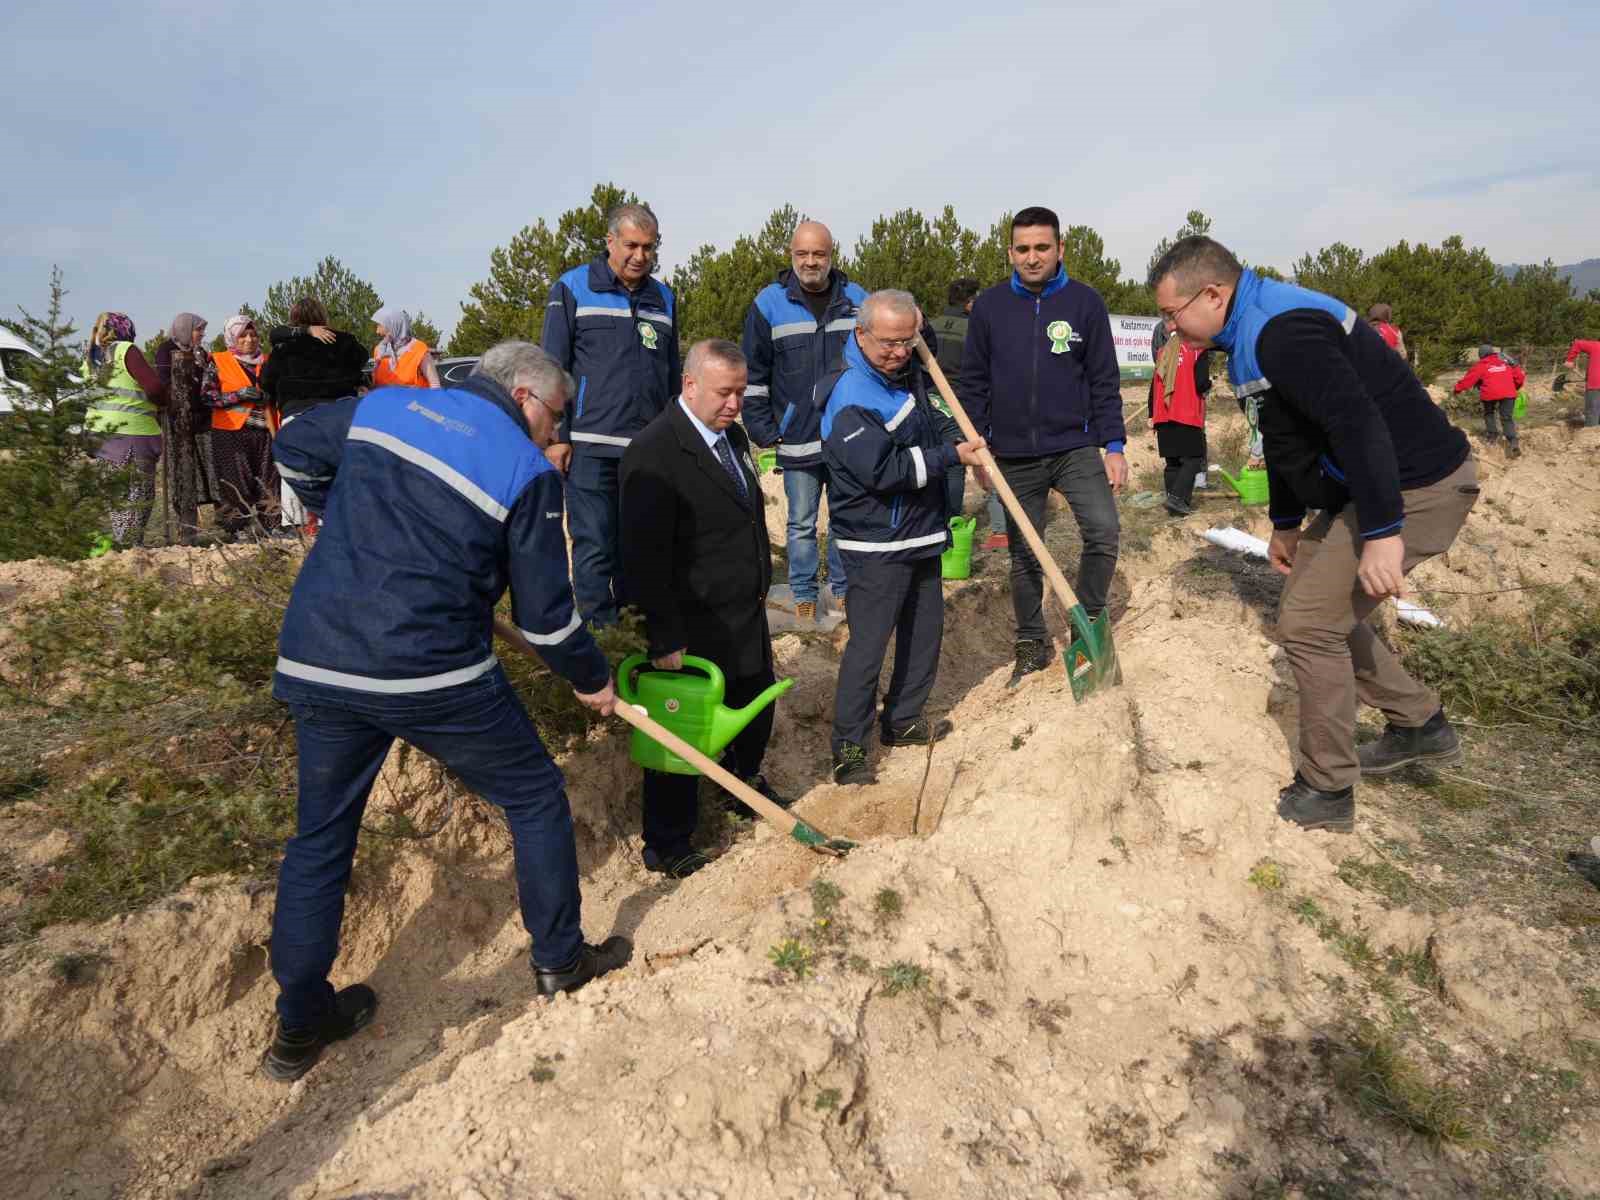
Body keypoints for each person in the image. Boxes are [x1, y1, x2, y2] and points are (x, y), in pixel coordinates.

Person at [262, 340, 629, 1082]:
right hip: (432, 671)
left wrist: (341, 525)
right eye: (557, 417)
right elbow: (549, 620)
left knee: (319, 841)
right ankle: (560, 961)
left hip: (319, 655)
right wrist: (591, 680)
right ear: (526, 395)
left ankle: (299, 1026)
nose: (554, 435)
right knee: (532, 794)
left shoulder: (384, 406)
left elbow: (292, 449)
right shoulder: (524, 470)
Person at [1150, 236, 1477, 834]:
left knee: (1307, 624)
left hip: (1415, 488)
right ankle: (1419, 724)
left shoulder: (1282, 331)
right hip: (1370, 489)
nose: (1171, 327)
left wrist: (1383, 532)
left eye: (1174, 313)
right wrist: (1284, 525)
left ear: (1213, 294)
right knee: (1317, 607)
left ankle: (1328, 790)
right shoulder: (1248, 328)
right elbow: (1284, 436)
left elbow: (1359, 424)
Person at [619, 340, 788, 877]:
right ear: (690, 385)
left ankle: (742, 787)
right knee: (682, 736)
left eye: (741, 392)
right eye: (724, 393)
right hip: (690, 623)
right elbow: (642, 557)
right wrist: (663, 636)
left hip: (743, 612)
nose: (735, 404)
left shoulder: (732, 437)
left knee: (754, 703)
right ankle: (668, 843)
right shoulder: (654, 451)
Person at [821, 290, 986, 785]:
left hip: (920, 532)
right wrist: (951, 456)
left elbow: (930, 404)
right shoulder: (850, 395)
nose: (897, 352)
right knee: (868, 648)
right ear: (860, 335)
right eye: (887, 343)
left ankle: (903, 720)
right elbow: (885, 471)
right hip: (875, 544)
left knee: (924, 633)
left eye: (906, 341)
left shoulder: (907, 372)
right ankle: (849, 748)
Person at [959, 206, 1126, 686]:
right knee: (1025, 551)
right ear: (1011, 252)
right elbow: (973, 383)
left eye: (1042, 248)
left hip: (1075, 446)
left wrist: (1113, 444)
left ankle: (1086, 622)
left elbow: (1103, 379)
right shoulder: (990, 307)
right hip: (1011, 453)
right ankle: (1030, 643)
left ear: (1060, 249)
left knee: (1103, 530)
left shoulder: (1085, 303)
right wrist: (975, 445)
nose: (1032, 258)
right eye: (1023, 249)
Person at [542, 202, 680, 627]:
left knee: (638, 548)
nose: (640, 256)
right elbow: (553, 366)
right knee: (595, 547)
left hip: (647, 450)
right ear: (609, 242)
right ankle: (601, 642)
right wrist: (557, 436)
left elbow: (672, 374)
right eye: (631, 245)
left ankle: (635, 635)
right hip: (589, 448)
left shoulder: (664, 298)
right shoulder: (572, 288)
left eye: (649, 247)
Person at [740, 221, 864, 622]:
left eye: (819, 254)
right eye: (802, 254)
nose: (811, 262)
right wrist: (763, 429)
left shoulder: (857, 299)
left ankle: (843, 590)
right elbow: (754, 375)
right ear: (791, 254)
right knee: (801, 523)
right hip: (796, 437)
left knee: (847, 516)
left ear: (832, 254)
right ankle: (805, 593)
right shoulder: (768, 304)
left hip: (849, 436)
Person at [261, 298, 369, 529]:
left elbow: (266, 381)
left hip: (299, 413)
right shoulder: (344, 342)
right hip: (340, 412)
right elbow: (362, 358)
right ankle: (334, 521)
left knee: (293, 466)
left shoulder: (283, 348)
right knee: (338, 467)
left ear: (294, 319)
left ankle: (293, 525)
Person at [83, 312, 165, 547]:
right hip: (132, 434)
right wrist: (166, 402)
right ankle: (129, 551)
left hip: (102, 437)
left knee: (118, 498)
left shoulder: (91, 357)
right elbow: (154, 387)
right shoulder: (125, 350)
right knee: (139, 497)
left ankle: (122, 549)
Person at [926, 277, 996, 546]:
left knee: (935, 462)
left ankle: (933, 521)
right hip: (959, 403)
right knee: (955, 466)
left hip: (930, 401)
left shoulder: (931, 326)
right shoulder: (974, 330)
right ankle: (949, 526)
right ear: (970, 303)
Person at [205, 316, 278, 538]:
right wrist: (239, 395)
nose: (249, 339)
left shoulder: (268, 361)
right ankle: (235, 531)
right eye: (243, 335)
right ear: (232, 338)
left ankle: (269, 528)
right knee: (234, 483)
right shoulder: (217, 361)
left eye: (253, 334)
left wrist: (271, 395)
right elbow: (208, 396)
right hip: (230, 433)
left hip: (266, 431)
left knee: (269, 481)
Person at [155, 312, 216, 543]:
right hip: (178, 423)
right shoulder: (166, 349)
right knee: (183, 473)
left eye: (202, 330)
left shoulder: (202, 354)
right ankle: (186, 530)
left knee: (209, 471)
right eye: (197, 329)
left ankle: (221, 523)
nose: (201, 334)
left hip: (202, 420)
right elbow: (165, 382)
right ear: (185, 328)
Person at [1148, 325, 1213, 516]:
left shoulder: (1162, 352)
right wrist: (1210, 384)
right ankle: (1177, 498)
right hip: (1186, 413)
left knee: (1173, 462)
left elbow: (1153, 386)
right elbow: (1201, 383)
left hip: (1163, 414)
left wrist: (1151, 414)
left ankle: (1174, 507)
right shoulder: (1197, 351)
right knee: (1193, 459)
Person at [1452, 345, 1526, 458]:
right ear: (1492, 352)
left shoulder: (1482, 365)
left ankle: (1492, 436)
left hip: (1490, 393)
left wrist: (1457, 389)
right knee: (1507, 418)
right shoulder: (1505, 362)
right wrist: (1515, 387)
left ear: (1481, 355)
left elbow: (1469, 379)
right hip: (1509, 393)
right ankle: (1513, 442)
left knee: (1489, 413)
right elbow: (1520, 377)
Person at [370, 308, 440, 389]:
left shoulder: (418, 349)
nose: (377, 331)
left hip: (417, 400)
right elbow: (376, 385)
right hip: (386, 401)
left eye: (380, 325)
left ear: (394, 325)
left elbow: (435, 386)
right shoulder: (379, 351)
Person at [1563, 336, 1600, 427]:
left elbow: (1577, 343)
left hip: (1594, 385)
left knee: (1592, 413)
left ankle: (1590, 436)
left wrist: (1569, 360)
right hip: (1595, 384)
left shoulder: (1596, 346)